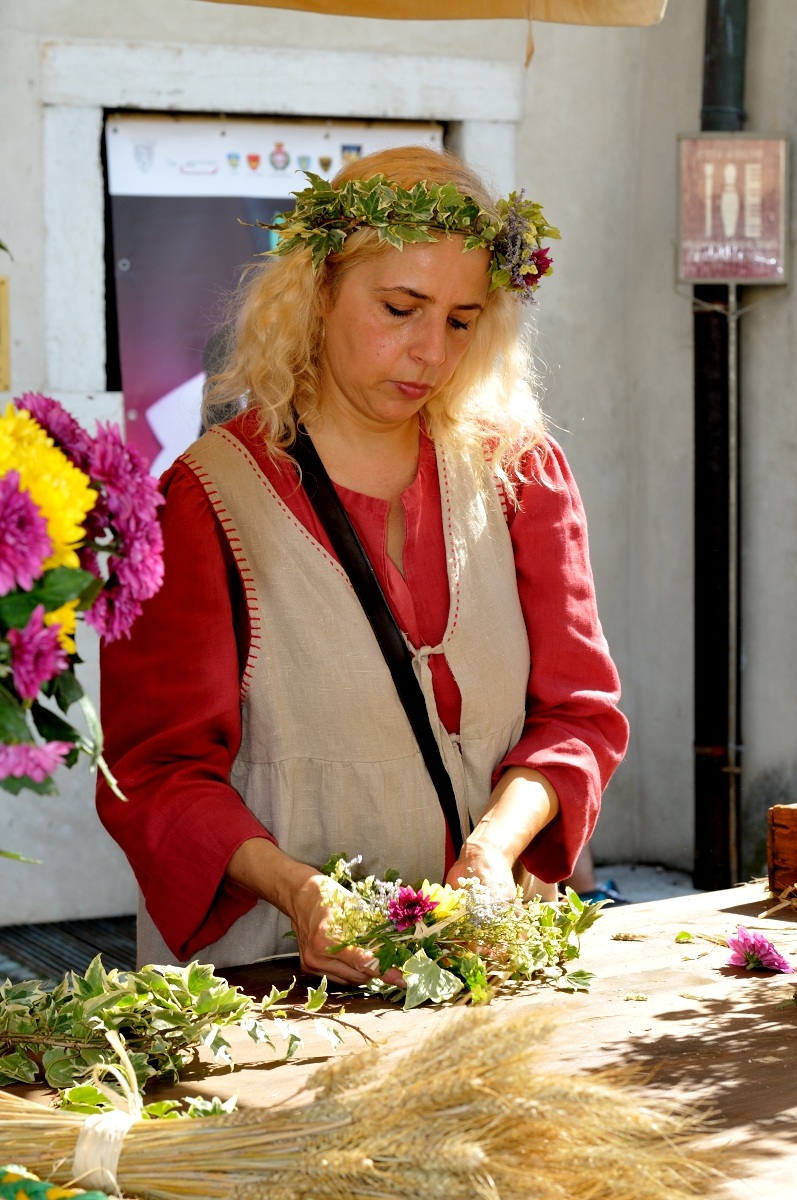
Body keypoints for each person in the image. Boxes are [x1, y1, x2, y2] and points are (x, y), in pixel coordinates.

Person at [97, 146, 629, 986]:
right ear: (317, 291)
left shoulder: (522, 477)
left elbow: (576, 716)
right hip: (275, 982)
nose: (429, 351)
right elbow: (157, 774)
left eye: (459, 320)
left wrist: (494, 849)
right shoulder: (203, 500)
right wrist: (300, 892)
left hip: (494, 966)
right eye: (400, 307)